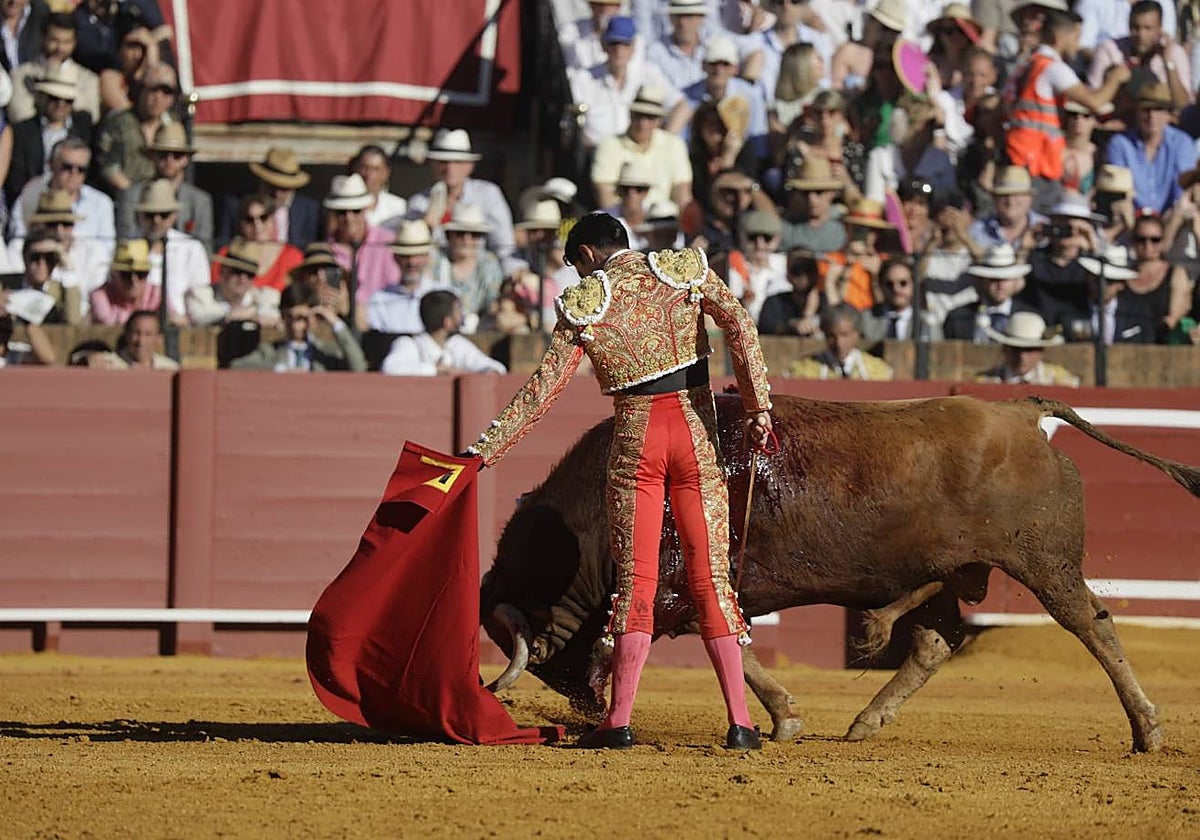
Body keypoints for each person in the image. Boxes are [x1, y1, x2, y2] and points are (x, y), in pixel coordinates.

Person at [463, 212, 772, 751]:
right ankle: (741, 723)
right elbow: (740, 325)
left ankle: (619, 721)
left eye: (572, 264)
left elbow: (541, 392)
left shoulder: (588, 302)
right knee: (710, 580)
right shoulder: (681, 269)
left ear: (586, 254)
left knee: (637, 583)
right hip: (697, 436)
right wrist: (757, 406)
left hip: (637, 443)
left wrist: (483, 452)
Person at [1002, 5, 1130, 212]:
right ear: (1059, 35)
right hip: (1036, 161)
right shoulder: (1053, 68)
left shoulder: (1026, 66)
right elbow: (1094, 102)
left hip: (1021, 154)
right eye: (1076, 36)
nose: (1078, 45)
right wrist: (1115, 78)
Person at [407, 128, 521, 276]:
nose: (450, 168)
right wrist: (425, 225)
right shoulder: (419, 203)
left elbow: (504, 245)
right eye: (443, 162)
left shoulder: (487, 194)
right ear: (433, 165)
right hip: (433, 276)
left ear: (469, 166)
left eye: (457, 162)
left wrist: (516, 274)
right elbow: (410, 250)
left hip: (481, 277)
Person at [591, 85, 693, 210]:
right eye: (638, 116)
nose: (642, 123)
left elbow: (682, 192)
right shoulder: (609, 145)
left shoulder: (674, 144)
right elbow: (605, 195)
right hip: (621, 217)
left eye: (650, 118)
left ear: (659, 121)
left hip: (664, 219)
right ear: (630, 115)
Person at [9, 136, 115, 254]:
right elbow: (17, 244)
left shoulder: (101, 203)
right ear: (51, 165)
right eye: (67, 167)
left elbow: (107, 250)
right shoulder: (29, 198)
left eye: (81, 169)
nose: (74, 174)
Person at [6, 64, 94, 204]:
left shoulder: (84, 129)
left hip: (74, 200)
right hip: (31, 200)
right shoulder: (22, 131)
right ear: (43, 97)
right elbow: (16, 178)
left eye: (67, 100)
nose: (60, 104)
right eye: (54, 98)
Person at [118, 122, 212, 251]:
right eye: (163, 155)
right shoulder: (132, 196)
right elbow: (126, 242)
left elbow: (204, 249)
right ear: (152, 157)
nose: (169, 160)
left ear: (186, 159)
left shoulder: (200, 201)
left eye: (176, 155)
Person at [231, 283, 366, 373]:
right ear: (283, 317)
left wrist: (335, 322)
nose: (296, 326)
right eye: (290, 318)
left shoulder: (325, 351)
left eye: (302, 318)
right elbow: (236, 367)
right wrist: (281, 369)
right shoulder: (269, 352)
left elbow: (359, 367)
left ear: (313, 318)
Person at [1105, 83, 1197, 215]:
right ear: (1137, 112)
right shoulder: (1120, 144)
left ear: (1169, 114)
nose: (1152, 116)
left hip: (1171, 218)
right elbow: (1119, 193)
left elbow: (1182, 190)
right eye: (1146, 109)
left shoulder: (1182, 143)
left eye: (1159, 109)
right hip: (1131, 221)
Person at [93, 62, 179, 197]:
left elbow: (180, 168)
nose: (158, 98)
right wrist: (136, 195)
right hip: (124, 196)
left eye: (166, 93)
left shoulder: (174, 125)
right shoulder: (118, 121)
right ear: (141, 91)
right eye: (153, 90)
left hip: (164, 199)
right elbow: (108, 167)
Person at [1087, 0, 1191, 109]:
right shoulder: (1109, 50)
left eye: (1148, 28)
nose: (1141, 35)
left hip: (1160, 122)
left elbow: (1184, 106)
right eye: (1135, 28)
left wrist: (1169, 65)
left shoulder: (1174, 53)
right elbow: (1092, 96)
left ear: (1160, 28)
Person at [324, 173, 399, 321]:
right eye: (341, 212)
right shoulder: (324, 250)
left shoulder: (387, 242)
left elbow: (394, 291)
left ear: (365, 209)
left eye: (355, 210)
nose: (349, 218)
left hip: (381, 323)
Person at [381, 289, 506, 376]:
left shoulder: (456, 344)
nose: (462, 316)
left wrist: (460, 373)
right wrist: (435, 370)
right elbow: (390, 369)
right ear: (447, 322)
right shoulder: (408, 344)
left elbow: (497, 369)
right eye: (458, 311)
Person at [135, 178, 209, 323]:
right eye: (150, 215)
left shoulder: (191, 248)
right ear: (140, 216)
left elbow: (199, 297)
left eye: (163, 214)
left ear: (174, 216)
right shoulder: (127, 246)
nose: (156, 220)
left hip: (179, 328)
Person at [217, 146, 321, 250]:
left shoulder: (309, 210)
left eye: (284, 188)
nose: (277, 193)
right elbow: (223, 246)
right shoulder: (235, 204)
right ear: (262, 181)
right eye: (272, 186)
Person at [7, 12, 101, 124]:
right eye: (54, 40)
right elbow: (19, 115)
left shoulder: (88, 79)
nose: (60, 48)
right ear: (42, 38)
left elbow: (90, 117)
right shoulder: (20, 75)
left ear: (74, 43)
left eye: (66, 42)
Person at [430, 203, 503, 334]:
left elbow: (493, 303)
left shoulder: (488, 264)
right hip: (439, 330)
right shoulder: (436, 259)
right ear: (449, 236)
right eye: (460, 233)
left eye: (475, 234)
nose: (467, 239)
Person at [943, 244, 1036, 342]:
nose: (1000, 286)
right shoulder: (958, 318)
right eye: (994, 280)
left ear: (1015, 281)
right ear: (983, 280)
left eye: (1006, 280)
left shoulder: (1030, 317)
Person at [212, 193, 302, 292]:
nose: (257, 226)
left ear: (273, 219)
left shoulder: (292, 255)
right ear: (241, 223)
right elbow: (215, 285)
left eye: (263, 218)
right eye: (249, 220)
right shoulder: (226, 254)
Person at [366, 220, 442, 335]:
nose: (412, 262)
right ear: (395, 258)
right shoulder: (379, 300)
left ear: (427, 257)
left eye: (418, 255)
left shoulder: (444, 296)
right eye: (405, 256)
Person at [787, 303, 894, 380]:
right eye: (831, 336)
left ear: (857, 334)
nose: (838, 343)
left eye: (845, 335)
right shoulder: (803, 370)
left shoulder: (878, 371)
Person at [974, 311, 1081, 385]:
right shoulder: (985, 381)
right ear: (1005, 349)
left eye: (1030, 350)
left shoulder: (1061, 380)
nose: (1022, 357)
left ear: (1042, 351)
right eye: (1016, 349)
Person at [861, 258, 943, 343]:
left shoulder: (928, 323)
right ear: (881, 286)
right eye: (889, 284)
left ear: (913, 285)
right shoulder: (866, 320)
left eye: (903, 283)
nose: (896, 289)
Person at [778, 156, 845, 255]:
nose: (811, 199)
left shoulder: (844, 226)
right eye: (805, 193)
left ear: (832, 193)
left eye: (819, 192)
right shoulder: (785, 228)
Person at [89, 239, 159, 325]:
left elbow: (174, 319)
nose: (134, 281)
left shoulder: (157, 292)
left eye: (141, 274)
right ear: (114, 274)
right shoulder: (100, 295)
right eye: (126, 274)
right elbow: (107, 322)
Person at [756, 246, 823, 336]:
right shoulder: (774, 302)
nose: (803, 275)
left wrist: (810, 312)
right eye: (797, 270)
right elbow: (767, 327)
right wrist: (793, 326)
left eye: (808, 269)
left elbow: (838, 320)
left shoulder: (826, 302)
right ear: (788, 275)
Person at [90, 309, 178, 369]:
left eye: (148, 334)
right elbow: (78, 359)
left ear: (159, 339)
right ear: (127, 335)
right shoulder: (108, 363)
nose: (141, 341)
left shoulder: (169, 368)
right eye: (136, 333)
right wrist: (88, 358)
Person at [350, 144, 406, 232]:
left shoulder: (398, 207)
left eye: (375, 169)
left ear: (386, 172)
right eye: (364, 168)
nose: (369, 175)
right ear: (355, 168)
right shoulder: (344, 206)